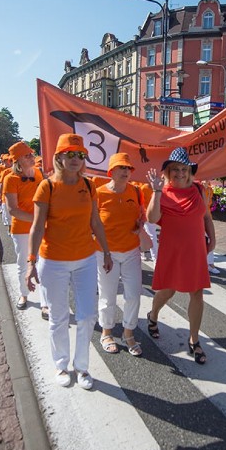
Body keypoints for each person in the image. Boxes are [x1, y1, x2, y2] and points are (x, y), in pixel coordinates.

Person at [26, 134, 112, 390]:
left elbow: (95, 222)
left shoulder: (88, 186)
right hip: (53, 261)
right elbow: (37, 226)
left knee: (86, 316)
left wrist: (106, 251)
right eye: (70, 154)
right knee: (59, 317)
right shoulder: (47, 186)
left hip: (85, 258)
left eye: (80, 155)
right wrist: (31, 261)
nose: (76, 159)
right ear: (59, 157)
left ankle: (82, 367)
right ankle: (61, 365)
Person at [145, 148, 215, 365]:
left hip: (194, 250)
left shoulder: (198, 189)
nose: (180, 173)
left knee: (197, 293)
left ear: (189, 171)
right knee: (168, 291)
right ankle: (153, 314)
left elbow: (206, 218)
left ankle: (194, 340)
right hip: (172, 251)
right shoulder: (162, 191)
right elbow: (152, 217)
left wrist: (213, 238)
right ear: (167, 172)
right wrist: (156, 192)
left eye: (183, 169)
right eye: (175, 169)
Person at [95, 153, 145, 357]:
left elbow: (141, 215)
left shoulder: (135, 191)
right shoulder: (98, 193)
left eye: (128, 168)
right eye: (121, 168)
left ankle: (128, 333)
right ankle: (106, 332)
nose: (125, 172)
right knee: (107, 296)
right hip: (105, 252)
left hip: (131, 251)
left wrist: (140, 224)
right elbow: (92, 223)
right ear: (111, 171)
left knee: (133, 294)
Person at [2, 141, 44, 312]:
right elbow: (13, 210)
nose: (32, 157)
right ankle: (23, 294)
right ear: (17, 160)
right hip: (22, 229)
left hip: (41, 227)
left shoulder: (39, 174)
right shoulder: (10, 179)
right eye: (27, 155)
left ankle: (45, 301)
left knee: (43, 264)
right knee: (23, 263)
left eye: (31, 154)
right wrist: (37, 219)